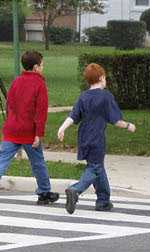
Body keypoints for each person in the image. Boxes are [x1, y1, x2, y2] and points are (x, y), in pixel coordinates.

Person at [0, 50, 59, 207]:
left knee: (2, 159)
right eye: (42, 65)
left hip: (12, 128)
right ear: (36, 67)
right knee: (37, 162)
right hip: (29, 131)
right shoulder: (39, 84)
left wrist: (10, 120)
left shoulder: (16, 81)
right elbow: (40, 112)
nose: (43, 67)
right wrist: (39, 133)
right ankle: (44, 192)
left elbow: (9, 104)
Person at [57, 63, 136, 214]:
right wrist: (128, 125)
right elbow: (116, 120)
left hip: (83, 137)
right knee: (95, 168)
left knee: (98, 167)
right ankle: (75, 190)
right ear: (101, 78)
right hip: (97, 138)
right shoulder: (106, 96)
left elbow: (73, 116)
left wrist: (62, 128)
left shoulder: (83, 96)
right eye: (105, 77)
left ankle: (103, 201)